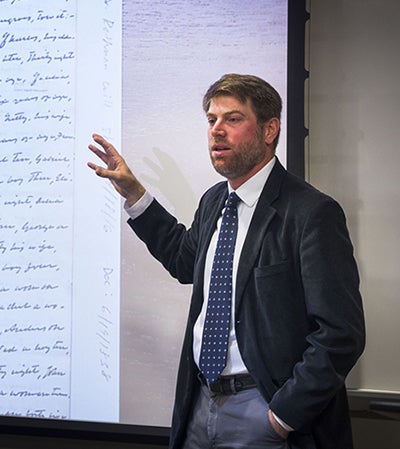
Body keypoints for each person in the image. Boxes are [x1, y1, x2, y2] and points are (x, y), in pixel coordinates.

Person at [87, 74, 365, 449]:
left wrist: (281, 417)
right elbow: (184, 262)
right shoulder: (215, 200)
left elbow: (340, 334)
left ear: (269, 130)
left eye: (232, 119)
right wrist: (135, 193)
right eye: (211, 120)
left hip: (264, 411)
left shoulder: (312, 214)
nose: (216, 131)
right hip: (199, 402)